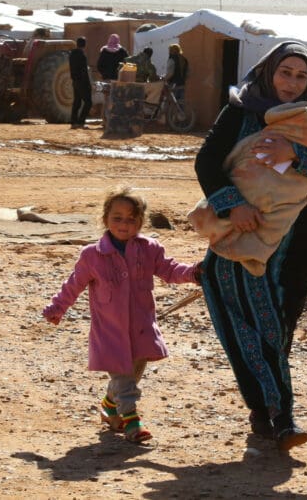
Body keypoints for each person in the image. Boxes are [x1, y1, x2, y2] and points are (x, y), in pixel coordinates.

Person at [194, 41, 307, 453]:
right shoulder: (241, 111)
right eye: (286, 73)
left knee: (280, 325)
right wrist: (233, 205)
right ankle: (280, 417)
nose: (293, 83)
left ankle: (267, 411)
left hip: (294, 236)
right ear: (269, 72)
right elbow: (206, 162)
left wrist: (293, 152)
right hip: (241, 231)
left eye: (301, 76)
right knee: (242, 319)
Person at [42, 186, 201, 443]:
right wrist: (57, 308)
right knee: (124, 374)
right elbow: (74, 284)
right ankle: (132, 422)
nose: (124, 224)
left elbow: (169, 270)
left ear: (141, 221)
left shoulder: (149, 248)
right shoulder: (92, 255)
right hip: (110, 329)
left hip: (141, 325)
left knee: (135, 368)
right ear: (105, 219)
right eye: (117, 218)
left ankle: (109, 405)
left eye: (131, 219)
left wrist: (194, 273)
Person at [69, 37, 92, 128]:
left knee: (77, 102)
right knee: (88, 103)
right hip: (82, 82)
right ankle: (80, 122)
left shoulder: (71, 54)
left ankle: (73, 122)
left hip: (75, 81)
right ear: (84, 45)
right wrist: (88, 84)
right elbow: (84, 71)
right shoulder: (82, 55)